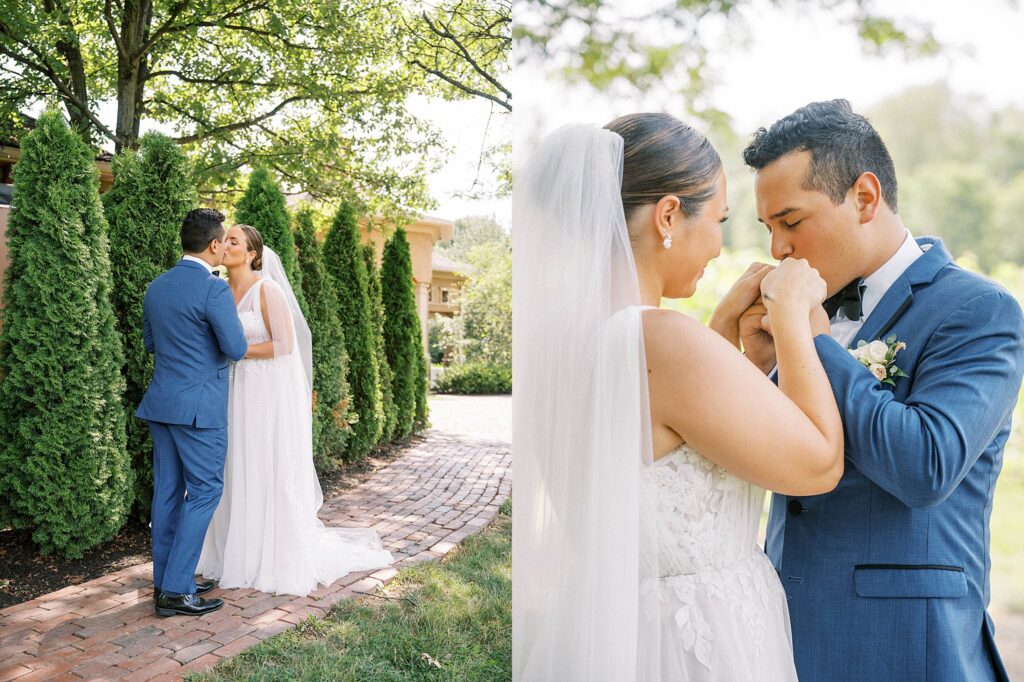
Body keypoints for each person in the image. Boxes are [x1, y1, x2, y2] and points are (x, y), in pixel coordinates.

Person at [512, 114, 844, 680]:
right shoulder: (661, 339)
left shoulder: (558, 343)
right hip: (701, 644)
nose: (719, 244)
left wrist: (722, 347)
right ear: (669, 215)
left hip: (622, 630)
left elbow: (653, 445)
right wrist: (794, 322)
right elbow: (820, 464)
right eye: (718, 219)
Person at [733, 99, 1024, 681]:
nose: (778, 250)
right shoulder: (800, 314)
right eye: (768, 229)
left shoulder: (979, 310)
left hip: (907, 649)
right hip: (779, 637)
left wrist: (813, 344)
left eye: (791, 221)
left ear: (865, 197)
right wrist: (755, 368)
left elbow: (926, 465)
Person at [196, 225, 393, 597]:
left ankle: (266, 556)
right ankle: (229, 553)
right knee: (233, 464)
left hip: (262, 391)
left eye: (234, 241)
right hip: (230, 390)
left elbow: (285, 345)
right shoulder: (218, 289)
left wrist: (236, 349)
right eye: (225, 240)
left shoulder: (267, 290)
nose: (225, 245)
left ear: (253, 254)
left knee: (262, 464)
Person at [138, 208, 248, 617]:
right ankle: (176, 590)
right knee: (204, 492)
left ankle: (166, 581)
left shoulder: (156, 286)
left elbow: (152, 344)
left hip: (162, 405)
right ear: (215, 244)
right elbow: (235, 348)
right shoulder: (213, 289)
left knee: (167, 493)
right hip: (200, 410)